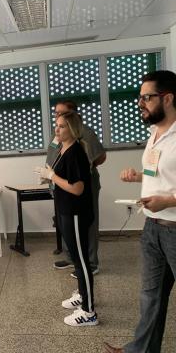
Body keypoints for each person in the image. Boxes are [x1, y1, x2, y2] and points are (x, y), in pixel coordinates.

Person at [104, 70, 176, 352]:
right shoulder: (154, 133)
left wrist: (167, 202)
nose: (140, 103)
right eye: (140, 97)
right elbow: (161, 174)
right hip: (152, 228)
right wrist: (139, 176)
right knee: (150, 297)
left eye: (147, 97)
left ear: (167, 98)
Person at [37, 112, 98, 326]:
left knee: (81, 261)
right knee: (75, 258)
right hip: (65, 210)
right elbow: (62, 178)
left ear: (72, 129)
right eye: (56, 125)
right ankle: (82, 295)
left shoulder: (76, 153)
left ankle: (89, 312)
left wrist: (52, 176)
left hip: (76, 213)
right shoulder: (63, 149)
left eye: (62, 126)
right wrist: (49, 176)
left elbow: (77, 188)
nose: (57, 129)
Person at [47, 100, 106, 276]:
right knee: (64, 221)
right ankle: (71, 257)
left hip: (81, 184)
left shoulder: (85, 132)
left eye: (61, 112)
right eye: (56, 113)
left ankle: (91, 263)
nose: (57, 116)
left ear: (73, 114)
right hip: (60, 183)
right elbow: (53, 154)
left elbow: (100, 157)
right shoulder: (57, 133)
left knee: (87, 222)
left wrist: (81, 169)